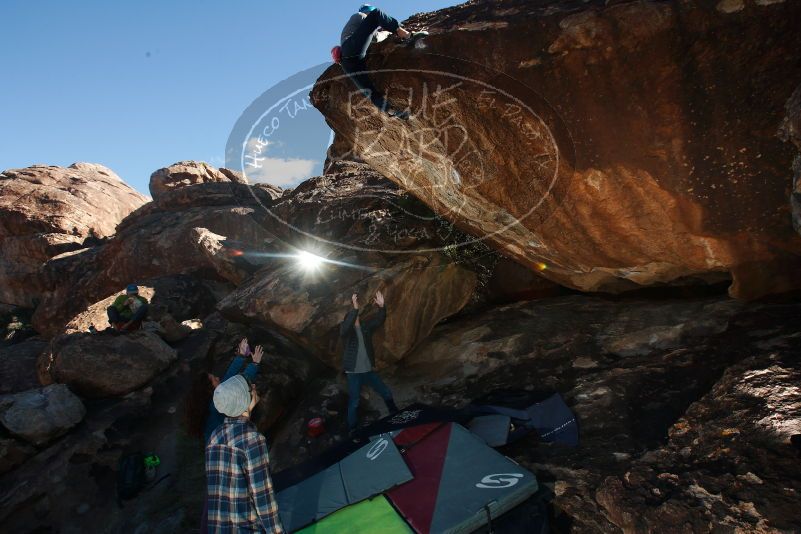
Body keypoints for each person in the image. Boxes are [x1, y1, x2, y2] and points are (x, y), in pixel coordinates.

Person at [184, 338, 264, 533]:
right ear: (210, 389)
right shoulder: (215, 406)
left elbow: (228, 379)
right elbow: (237, 382)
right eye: (214, 379)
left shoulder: (208, 403)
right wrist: (254, 364)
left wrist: (240, 357)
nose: (218, 379)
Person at [206, 374, 284, 533]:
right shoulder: (252, 441)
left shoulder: (214, 437)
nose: (254, 388)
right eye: (250, 388)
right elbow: (263, 498)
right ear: (244, 400)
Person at [339, 4, 426, 119]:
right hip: (350, 48)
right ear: (367, 12)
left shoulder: (355, 27)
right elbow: (375, 32)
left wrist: (384, 32)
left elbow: (373, 37)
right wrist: (388, 31)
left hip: (348, 62)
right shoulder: (359, 15)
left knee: (369, 91)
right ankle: (407, 35)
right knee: (377, 14)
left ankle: (392, 111)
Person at [340, 289, 398, 434]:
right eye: (353, 317)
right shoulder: (347, 332)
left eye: (356, 316)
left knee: (385, 392)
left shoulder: (365, 328)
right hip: (353, 373)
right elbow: (345, 327)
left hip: (368, 371)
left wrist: (382, 307)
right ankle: (352, 428)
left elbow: (379, 320)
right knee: (354, 402)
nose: (356, 318)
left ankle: (395, 413)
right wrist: (354, 308)